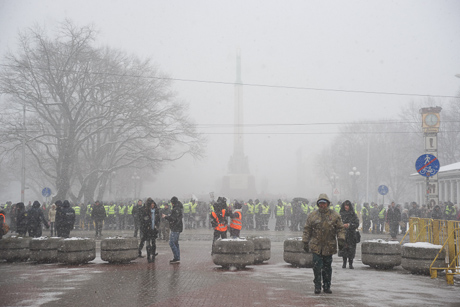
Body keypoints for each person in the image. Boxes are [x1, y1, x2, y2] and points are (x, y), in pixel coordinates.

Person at [302, 193, 345, 294]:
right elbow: (307, 229)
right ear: (318, 204)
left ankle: (327, 286)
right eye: (320, 203)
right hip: (316, 245)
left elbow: (340, 228)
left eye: (324, 203)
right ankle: (317, 286)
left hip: (329, 246)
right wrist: (305, 241)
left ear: (327, 203)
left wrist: (341, 239)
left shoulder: (334, 215)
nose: (322, 205)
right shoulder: (312, 215)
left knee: (327, 267)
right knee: (317, 266)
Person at [339, 200, 359, 269]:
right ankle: (344, 263)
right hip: (343, 234)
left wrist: (349, 225)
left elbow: (357, 223)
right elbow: (337, 223)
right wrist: (342, 225)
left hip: (351, 234)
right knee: (344, 249)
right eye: (345, 205)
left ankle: (350, 263)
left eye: (347, 206)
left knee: (351, 249)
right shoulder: (341, 214)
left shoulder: (353, 214)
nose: (346, 207)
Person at [138, 198, 160, 262]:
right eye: (151, 204)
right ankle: (148, 256)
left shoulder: (156, 211)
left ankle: (153, 254)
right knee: (147, 242)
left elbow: (158, 219)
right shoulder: (145, 211)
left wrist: (157, 226)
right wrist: (146, 226)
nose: (152, 205)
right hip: (147, 230)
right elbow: (142, 220)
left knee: (153, 243)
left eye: (153, 204)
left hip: (154, 229)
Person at [163, 196, 183, 264]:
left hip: (175, 228)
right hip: (178, 227)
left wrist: (166, 217)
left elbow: (173, 218)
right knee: (176, 243)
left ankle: (176, 257)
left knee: (171, 242)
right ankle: (177, 257)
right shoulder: (178, 208)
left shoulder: (176, 209)